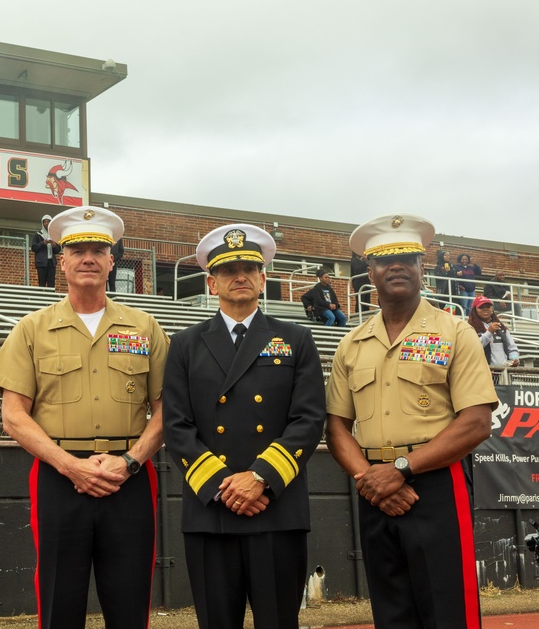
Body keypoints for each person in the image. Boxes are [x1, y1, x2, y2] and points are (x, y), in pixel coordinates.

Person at [0, 206, 168, 629]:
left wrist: (129, 461)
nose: (88, 258)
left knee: (130, 601)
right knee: (58, 601)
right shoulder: (32, 329)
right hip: (59, 477)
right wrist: (70, 466)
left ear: (112, 261)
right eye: (78, 251)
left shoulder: (144, 327)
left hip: (129, 476)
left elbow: (167, 410)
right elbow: (13, 416)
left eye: (98, 251)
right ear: (62, 260)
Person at [325, 213, 498, 629]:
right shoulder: (351, 343)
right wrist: (371, 479)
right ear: (370, 272)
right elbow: (336, 428)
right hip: (373, 489)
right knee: (392, 612)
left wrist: (401, 470)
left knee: (448, 610)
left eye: (407, 257)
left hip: (435, 484)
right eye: (386, 260)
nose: (397, 266)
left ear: (423, 267)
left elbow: (476, 422)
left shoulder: (455, 332)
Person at [162, 223, 325, 629]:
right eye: (228, 270)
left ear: (263, 279)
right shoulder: (185, 344)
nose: (240, 276)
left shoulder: (296, 339)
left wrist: (259, 478)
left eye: (250, 268)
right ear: (211, 282)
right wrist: (226, 487)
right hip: (211, 510)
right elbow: (176, 425)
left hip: (276, 507)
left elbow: (308, 419)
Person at [468, 295, 520, 368]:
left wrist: (514, 358)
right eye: (481, 307)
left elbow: (512, 348)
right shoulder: (470, 328)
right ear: (474, 310)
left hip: (503, 371)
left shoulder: (501, 327)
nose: (485, 309)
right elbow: (473, 347)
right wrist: (489, 332)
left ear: (492, 309)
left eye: (488, 307)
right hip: (483, 370)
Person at [30, 213, 61, 289]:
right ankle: (41, 295)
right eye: (45, 222)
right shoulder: (38, 234)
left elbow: (58, 250)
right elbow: (34, 248)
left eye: (48, 221)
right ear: (42, 223)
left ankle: (51, 296)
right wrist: (43, 243)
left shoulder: (53, 234)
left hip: (51, 263)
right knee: (42, 283)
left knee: (51, 283)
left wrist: (54, 245)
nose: (46, 223)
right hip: (41, 262)